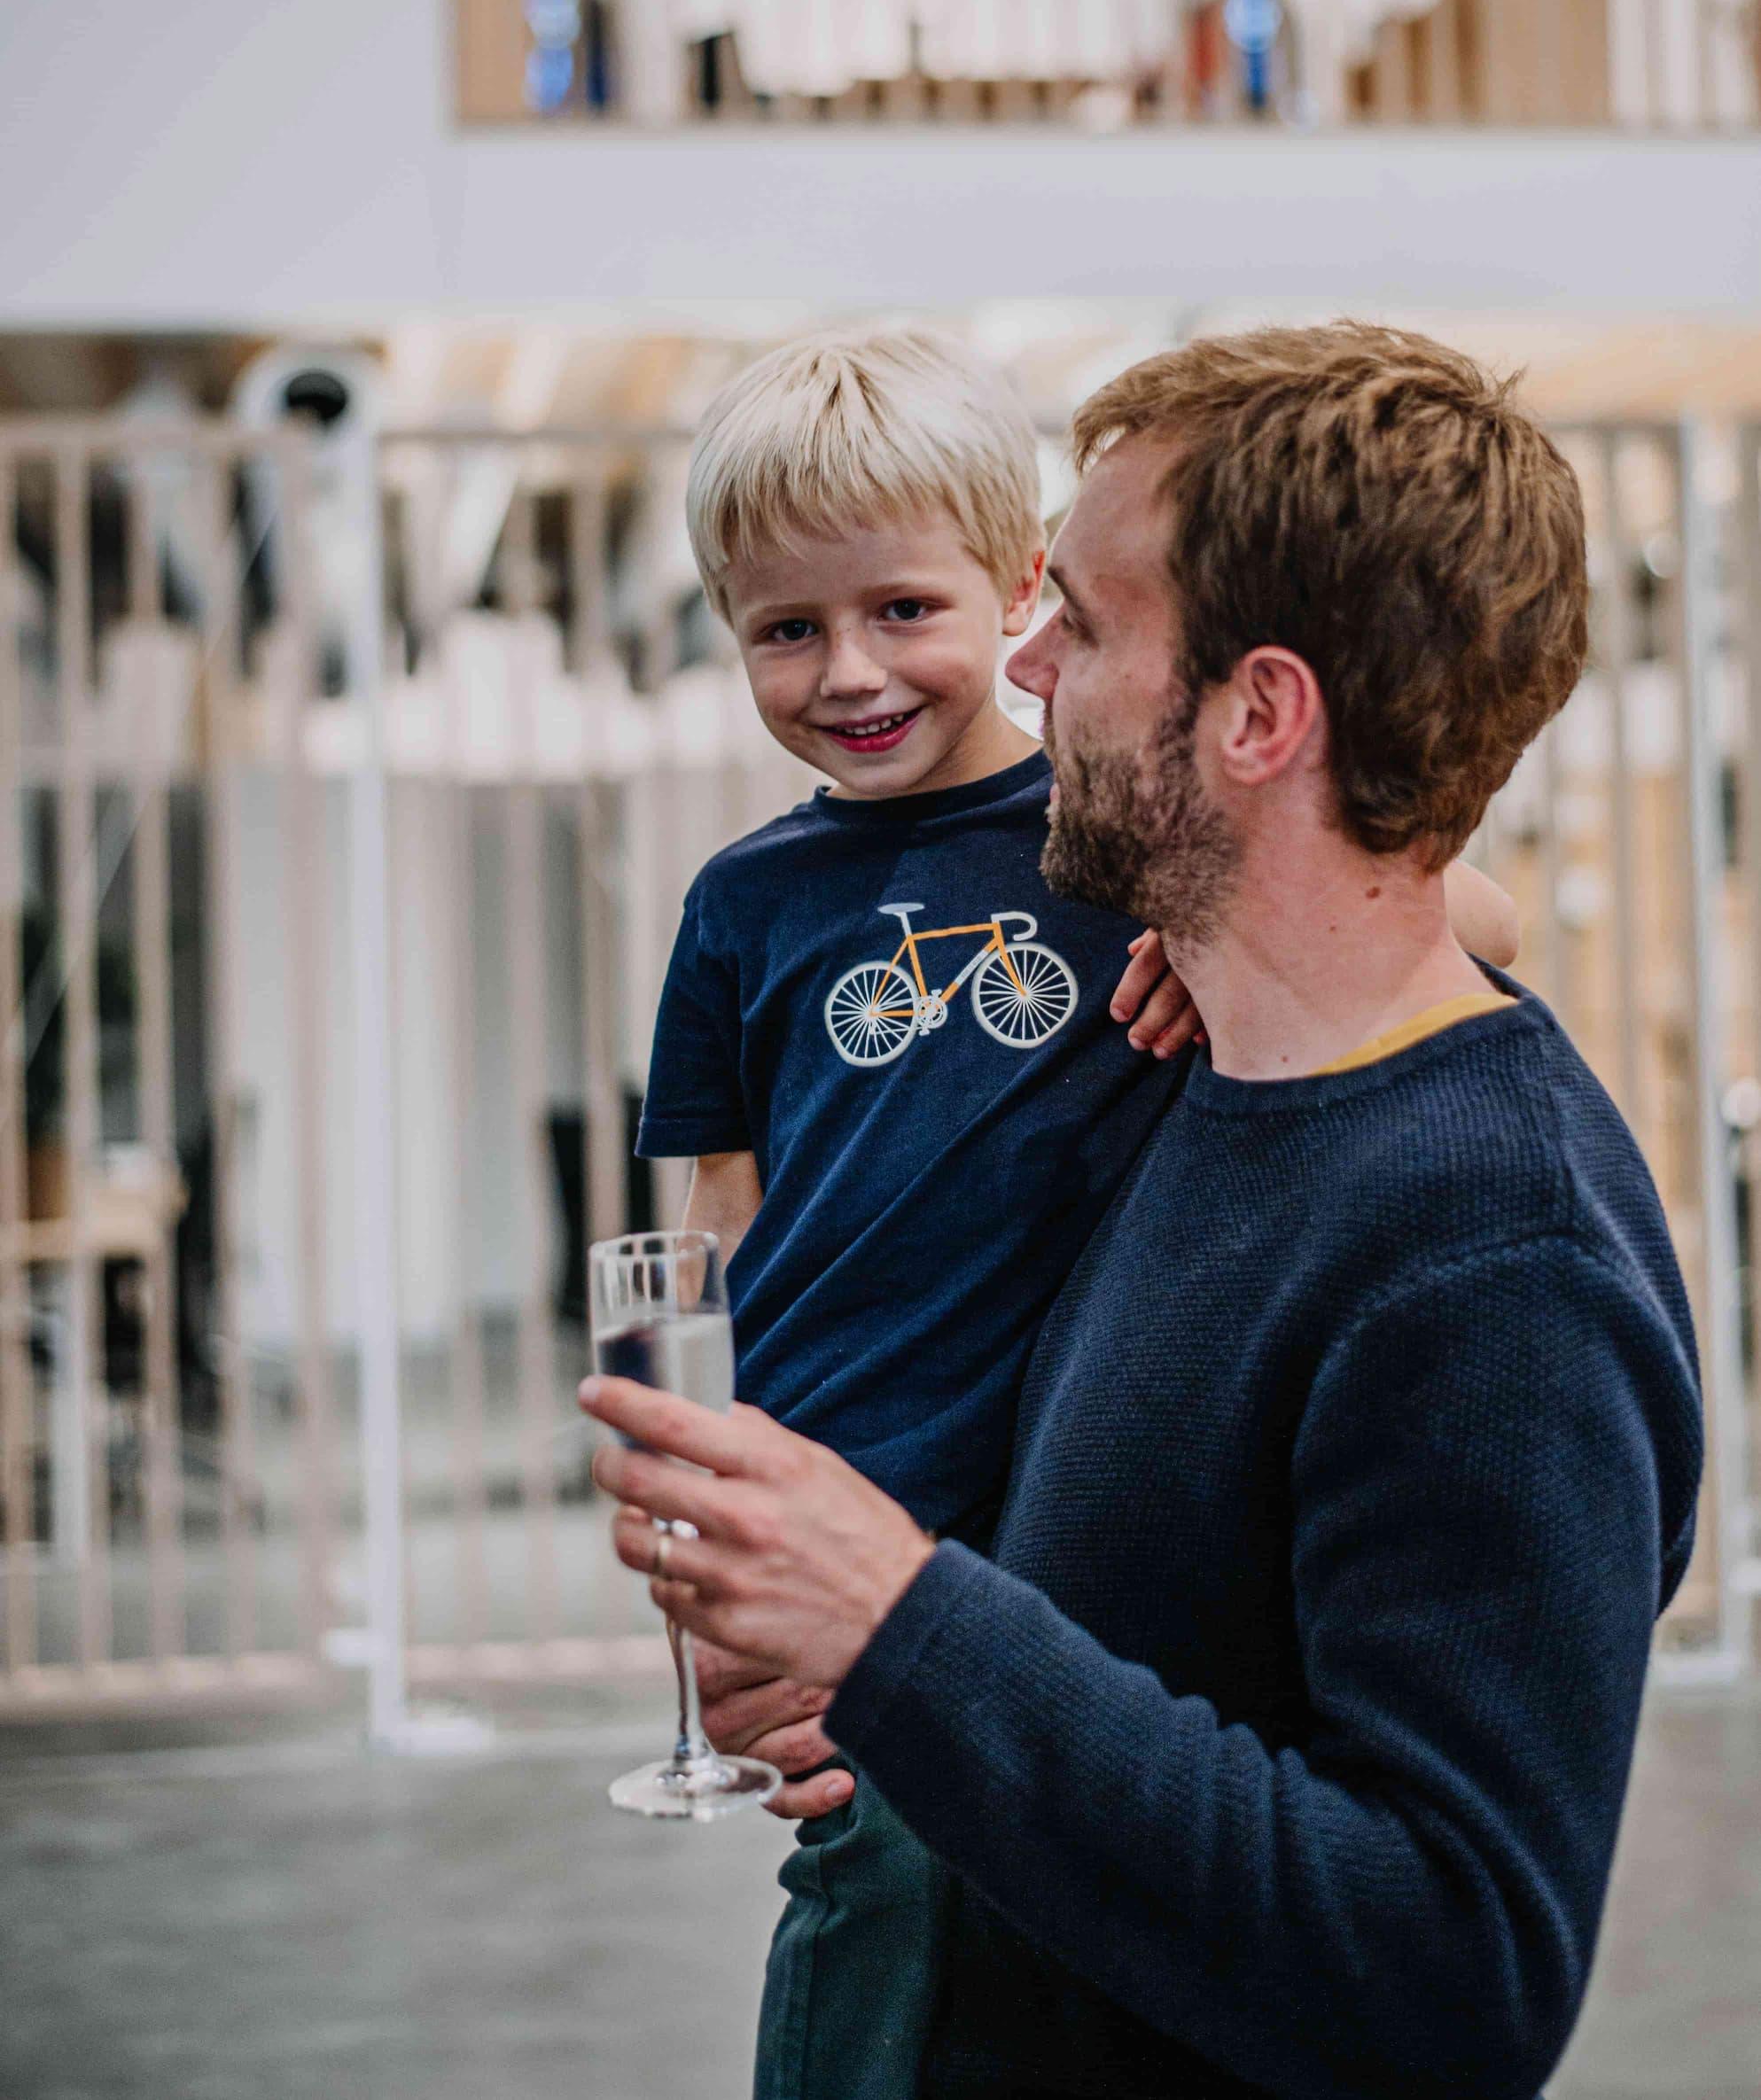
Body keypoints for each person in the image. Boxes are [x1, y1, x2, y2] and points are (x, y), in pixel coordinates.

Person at [586, 323, 1706, 2100]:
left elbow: (1452, 1979)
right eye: (788, 626)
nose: (1016, 660)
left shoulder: (1498, 1268)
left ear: (1257, 714)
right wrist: (816, 1617)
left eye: (1082, 625)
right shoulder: (1189, 1082)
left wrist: (896, 1624)